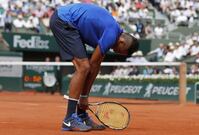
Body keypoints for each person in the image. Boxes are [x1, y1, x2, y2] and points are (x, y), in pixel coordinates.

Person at [50, 3, 139, 132]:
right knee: (83, 67)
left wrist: (84, 98)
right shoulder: (111, 35)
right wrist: (84, 97)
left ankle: (81, 115)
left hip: (71, 23)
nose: (116, 52)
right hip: (63, 21)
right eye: (120, 51)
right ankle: (69, 119)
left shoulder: (112, 32)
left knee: (88, 68)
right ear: (122, 42)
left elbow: (96, 66)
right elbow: (92, 65)